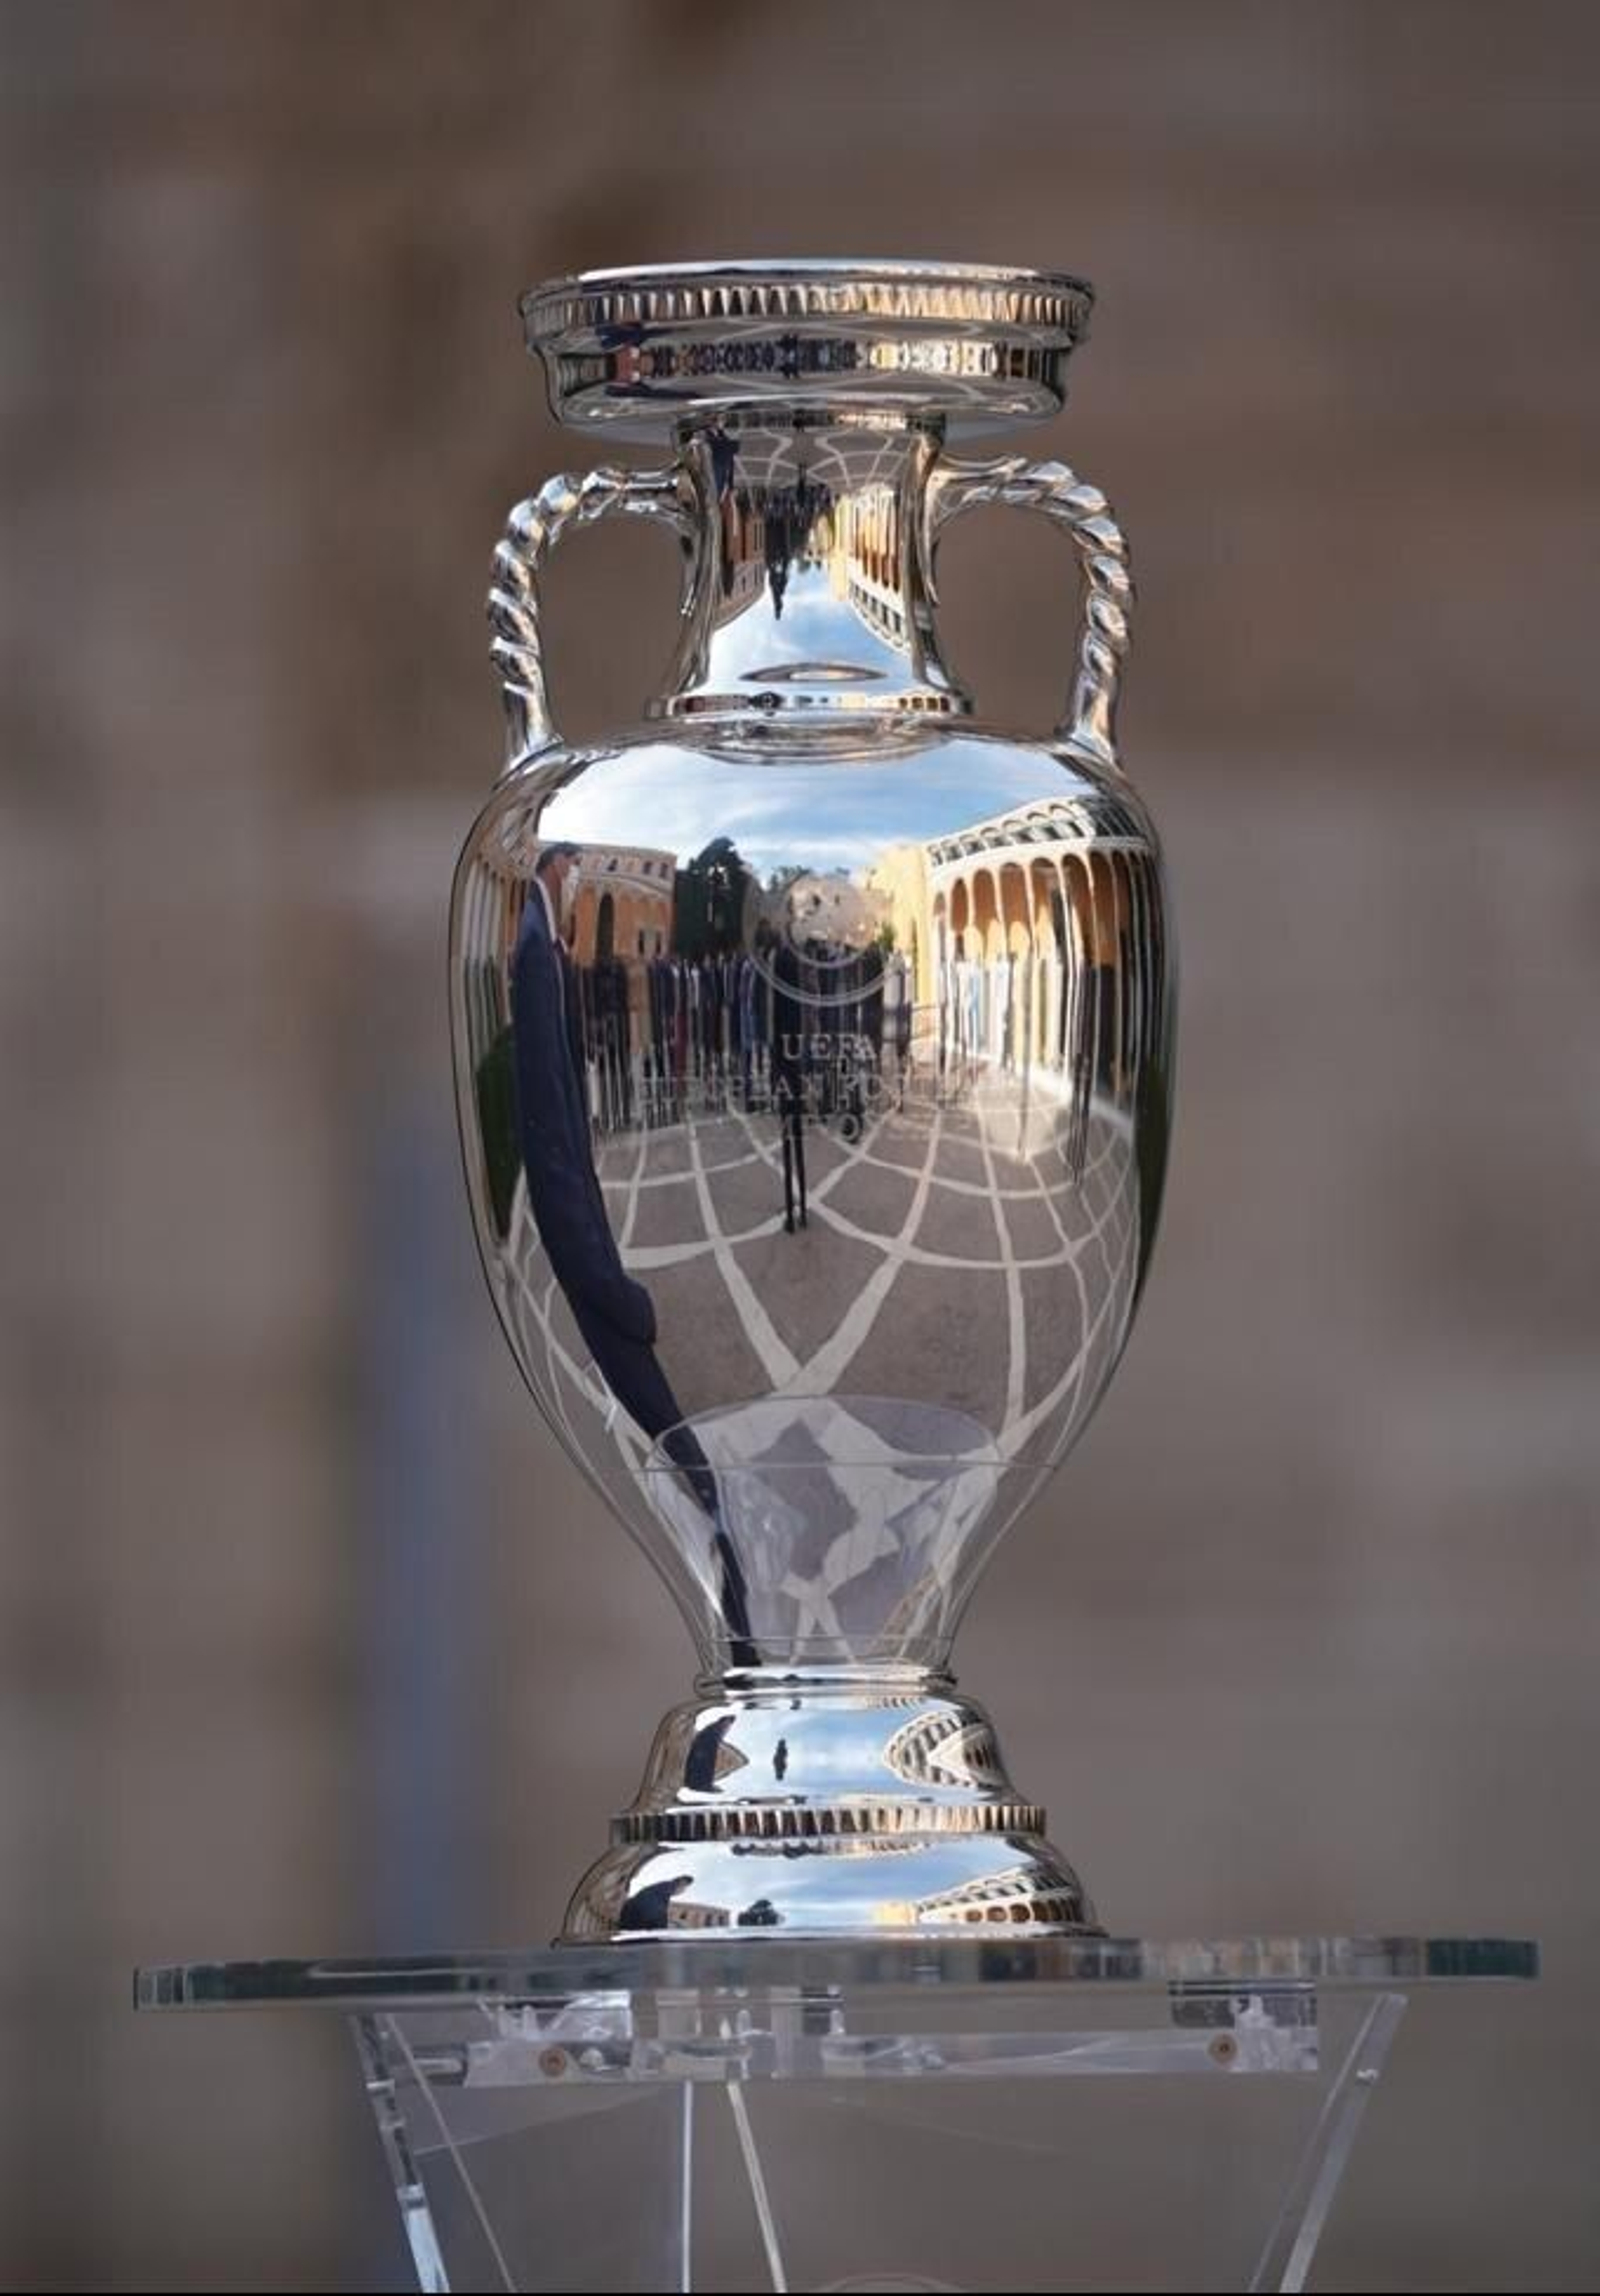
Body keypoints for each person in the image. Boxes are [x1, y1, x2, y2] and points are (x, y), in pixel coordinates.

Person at [512, 843, 755, 1661]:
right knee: (691, 1459)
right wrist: (605, 1282)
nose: (580, 886)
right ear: (559, 870)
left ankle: (751, 1637)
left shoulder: (545, 943)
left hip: (593, 1238)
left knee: (698, 1469)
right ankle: (750, 1639)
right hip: (593, 1258)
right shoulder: (532, 952)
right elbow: (549, 1134)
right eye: (574, 872)